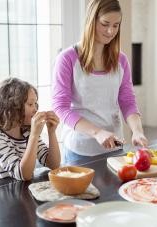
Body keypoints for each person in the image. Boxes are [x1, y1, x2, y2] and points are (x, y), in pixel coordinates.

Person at [52, 0, 147, 163]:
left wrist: (137, 131)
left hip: (115, 147)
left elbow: (128, 101)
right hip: (81, 150)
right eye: (105, 24)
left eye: (116, 25)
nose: (111, 31)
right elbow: (60, 107)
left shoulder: (121, 60)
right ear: (92, 21)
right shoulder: (67, 59)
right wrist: (97, 132)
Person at [0, 77, 61, 181]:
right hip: (1, 194)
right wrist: (34, 135)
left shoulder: (26, 132)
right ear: (12, 107)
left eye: (35, 104)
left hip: (21, 193)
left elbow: (53, 164)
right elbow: (24, 174)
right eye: (30, 104)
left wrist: (52, 132)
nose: (35, 109)